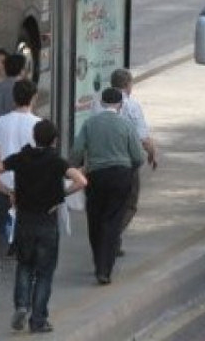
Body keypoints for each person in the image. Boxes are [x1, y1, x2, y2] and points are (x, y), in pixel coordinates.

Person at [0, 119, 87, 334]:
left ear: (34, 136)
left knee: (24, 266)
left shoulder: (21, 158)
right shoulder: (57, 161)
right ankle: (38, 320)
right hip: (47, 223)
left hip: (24, 222)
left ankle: (21, 306)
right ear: (54, 140)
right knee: (44, 273)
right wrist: (60, 196)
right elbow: (81, 181)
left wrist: (8, 192)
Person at [70, 88, 144, 285]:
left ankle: (98, 262)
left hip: (96, 175)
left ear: (101, 103)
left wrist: (74, 167)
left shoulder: (89, 124)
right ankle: (105, 269)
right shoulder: (126, 125)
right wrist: (130, 169)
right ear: (120, 105)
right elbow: (138, 156)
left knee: (95, 219)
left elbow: (77, 150)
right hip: (120, 176)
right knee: (112, 221)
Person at [0, 79, 43, 289]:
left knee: (2, 227)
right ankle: (26, 269)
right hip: (28, 187)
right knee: (28, 229)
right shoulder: (37, 123)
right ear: (33, 97)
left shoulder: (2, 121)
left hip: (5, 185)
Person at [108, 68, 158, 256]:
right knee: (129, 203)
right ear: (128, 85)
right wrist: (152, 154)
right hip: (126, 163)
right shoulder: (132, 105)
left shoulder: (98, 104)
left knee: (108, 203)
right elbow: (143, 138)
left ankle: (112, 237)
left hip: (101, 162)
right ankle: (112, 235)